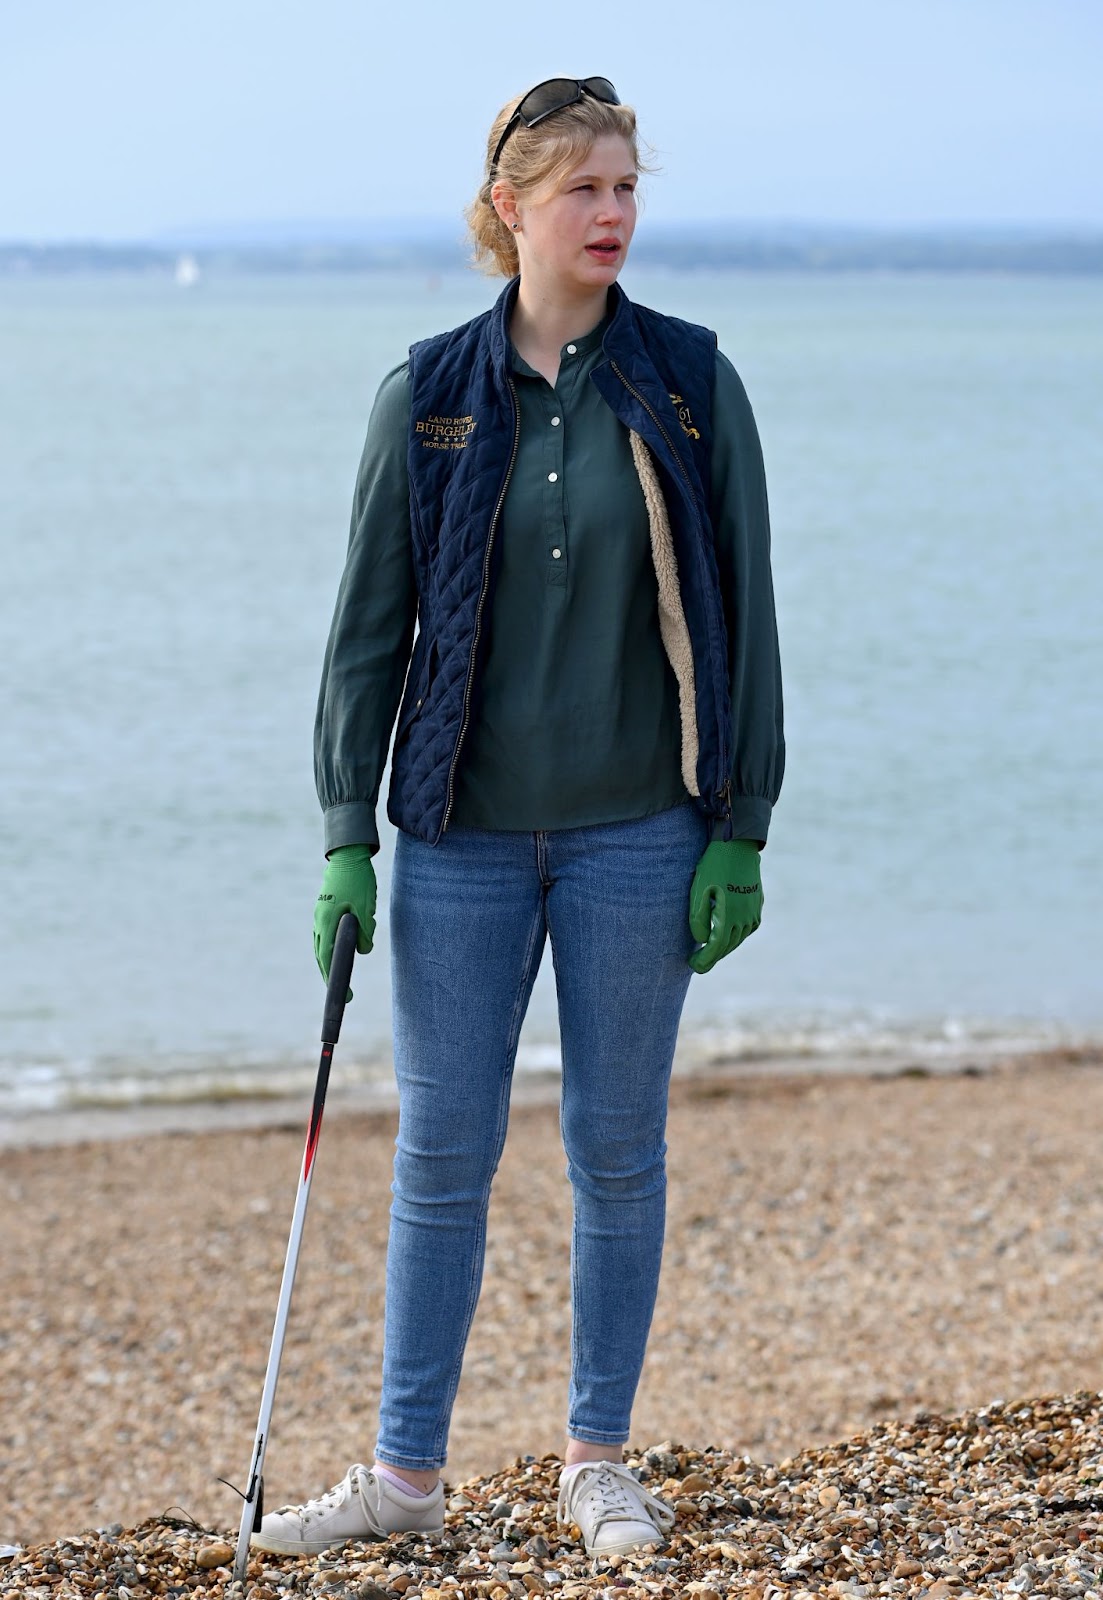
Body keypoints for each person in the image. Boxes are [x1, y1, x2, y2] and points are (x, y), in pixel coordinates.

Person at [254, 75, 784, 1563]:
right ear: (513, 209)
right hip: (462, 845)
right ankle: (405, 1478)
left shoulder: (688, 380)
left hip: (639, 837)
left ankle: (598, 1459)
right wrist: (344, 832)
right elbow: (368, 633)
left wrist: (743, 822)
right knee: (442, 1154)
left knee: (618, 1157)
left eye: (627, 188)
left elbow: (748, 612)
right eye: (585, 191)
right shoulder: (428, 391)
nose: (612, 214)